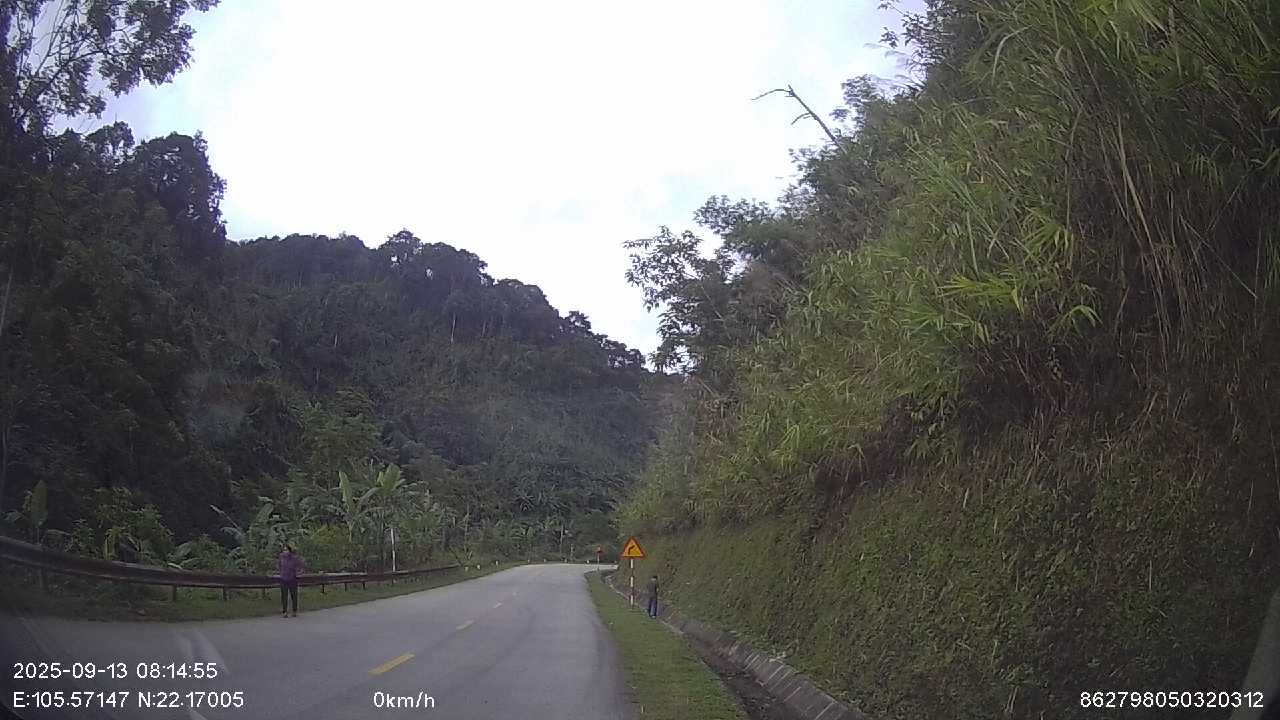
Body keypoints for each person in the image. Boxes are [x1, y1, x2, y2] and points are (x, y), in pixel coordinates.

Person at [278, 544, 305, 617]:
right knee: (284, 596)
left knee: (294, 595)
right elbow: (279, 566)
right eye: (284, 550)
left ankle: (294, 611)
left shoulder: (294, 558)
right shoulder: (281, 558)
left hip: (293, 579)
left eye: (286, 550)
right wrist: (280, 573)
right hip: (283, 579)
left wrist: (298, 573)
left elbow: (301, 565)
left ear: (289, 551)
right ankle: (284, 612)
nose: (285, 551)